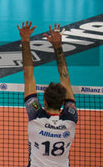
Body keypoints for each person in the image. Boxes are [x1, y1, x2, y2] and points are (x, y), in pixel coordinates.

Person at [17, 21, 78, 167]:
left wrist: (25, 41)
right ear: (63, 101)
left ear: (44, 102)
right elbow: (65, 78)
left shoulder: (36, 117)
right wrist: (58, 46)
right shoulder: (70, 119)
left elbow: (28, 74)